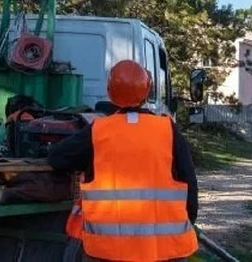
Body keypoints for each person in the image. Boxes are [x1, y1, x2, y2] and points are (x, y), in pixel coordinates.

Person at [47, 59, 199, 262]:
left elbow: (58, 158)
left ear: (110, 93)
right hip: (167, 251)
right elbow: (190, 182)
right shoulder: (168, 129)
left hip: (107, 251)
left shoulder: (99, 130)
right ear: (147, 92)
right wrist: (186, 221)